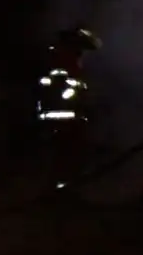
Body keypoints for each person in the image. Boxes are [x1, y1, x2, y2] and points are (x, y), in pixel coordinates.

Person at [37, 26, 101, 191]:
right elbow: (65, 91)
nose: (84, 53)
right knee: (65, 159)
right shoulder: (64, 61)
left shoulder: (63, 59)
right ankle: (60, 194)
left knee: (68, 159)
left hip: (66, 118)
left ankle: (63, 192)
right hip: (64, 119)